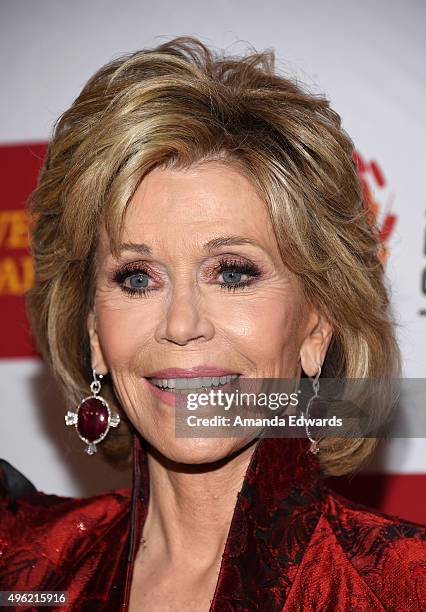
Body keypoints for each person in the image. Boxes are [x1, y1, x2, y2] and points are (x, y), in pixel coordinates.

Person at [1, 36, 425, 611]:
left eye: (231, 273)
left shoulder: (402, 587)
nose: (181, 323)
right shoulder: (26, 571)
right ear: (95, 334)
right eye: (136, 278)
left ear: (316, 324)